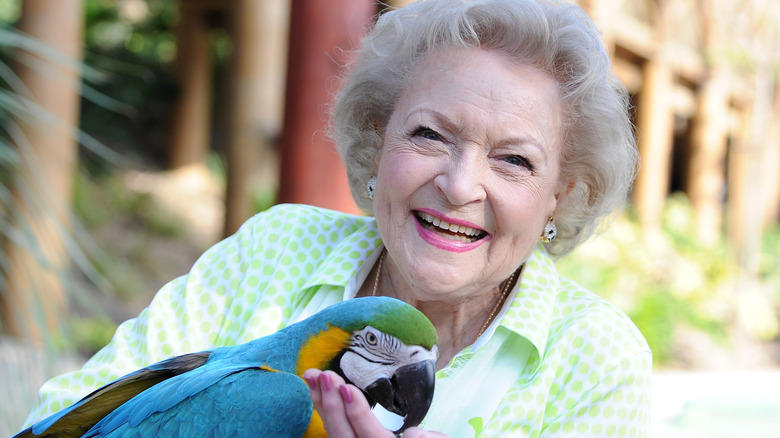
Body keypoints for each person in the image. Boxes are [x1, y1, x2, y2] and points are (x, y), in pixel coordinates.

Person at [22, 0, 651, 436]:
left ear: (561, 197)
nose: (459, 185)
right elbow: (68, 411)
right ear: (378, 141)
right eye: (430, 135)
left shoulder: (595, 358)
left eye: (514, 160)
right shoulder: (275, 250)